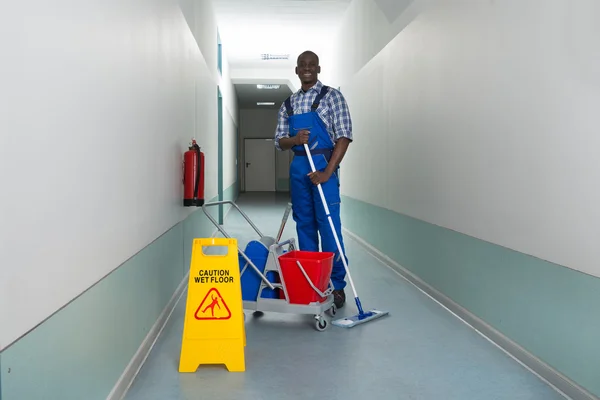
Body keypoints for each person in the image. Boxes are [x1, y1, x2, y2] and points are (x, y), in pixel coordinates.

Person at [274, 50, 353, 309]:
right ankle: (311, 282)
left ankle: (336, 285)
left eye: (312, 65)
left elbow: (344, 136)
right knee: (304, 226)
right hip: (299, 167)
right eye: (302, 65)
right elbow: (279, 141)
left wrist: (328, 172)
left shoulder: (332, 97)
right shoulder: (288, 104)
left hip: (323, 164)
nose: (307, 69)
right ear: (297, 70)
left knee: (329, 227)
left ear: (318, 69)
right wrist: (295, 140)